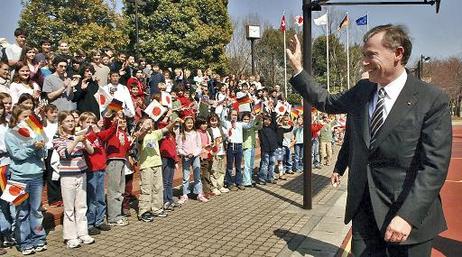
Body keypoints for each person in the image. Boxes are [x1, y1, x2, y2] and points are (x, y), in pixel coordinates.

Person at [287, 25, 451, 257]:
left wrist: (407, 216)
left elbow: (434, 167)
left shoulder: (431, 99)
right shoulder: (363, 90)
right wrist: (298, 69)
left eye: (370, 55)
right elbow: (327, 102)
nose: (364, 62)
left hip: (406, 220)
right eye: (364, 55)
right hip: (364, 215)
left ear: (398, 53)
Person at [5, 105, 47, 255]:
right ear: (16, 118)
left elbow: (43, 154)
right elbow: (18, 155)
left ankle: (39, 239)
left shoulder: (35, 131)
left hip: (36, 175)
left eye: (29, 117)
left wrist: (41, 146)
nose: (27, 120)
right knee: (22, 212)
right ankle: (24, 242)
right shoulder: (11, 134)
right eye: (24, 117)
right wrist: (32, 146)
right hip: (19, 177)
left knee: (36, 210)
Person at [53, 111, 95, 248]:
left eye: (72, 120)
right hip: (67, 176)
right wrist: (76, 140)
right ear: (61, 123)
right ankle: (70, 236)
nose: (71, 123)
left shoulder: (76, 135)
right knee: (69, 208)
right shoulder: (58, 138)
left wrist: (85, 141)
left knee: (82, 206)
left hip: (81, 173)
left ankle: (83, 233)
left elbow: (91, 151)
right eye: (67, 121)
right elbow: (65, 154)